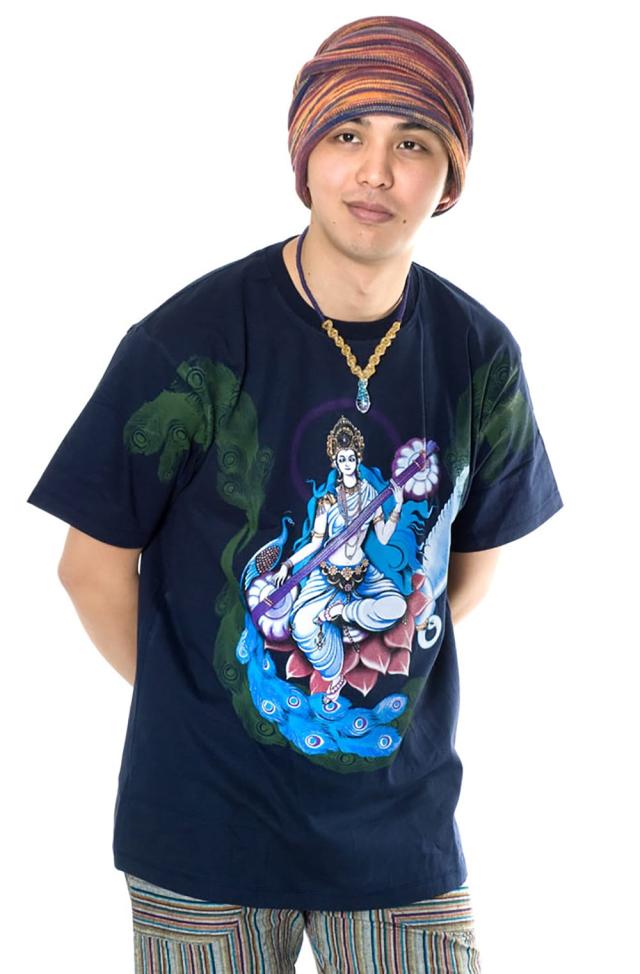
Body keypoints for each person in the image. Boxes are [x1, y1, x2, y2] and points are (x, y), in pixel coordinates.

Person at [26, 14, 563, 973]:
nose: (376, 172)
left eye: (414, 144)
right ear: (305, 154)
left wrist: (375, 606)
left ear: (450, 177)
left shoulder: (479, 354)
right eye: (348, 134)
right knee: (307, 612)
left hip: (402, 838)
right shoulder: (186, 343)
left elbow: (465, 570)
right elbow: (89, 569)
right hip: (204, 835)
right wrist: (211, 702)